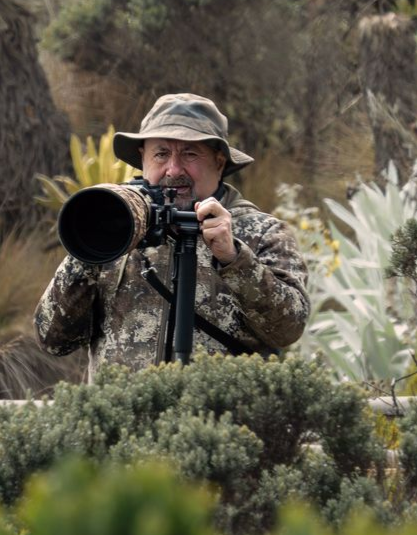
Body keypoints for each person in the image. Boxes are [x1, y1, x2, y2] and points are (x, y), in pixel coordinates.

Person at [36, 93, 310, 379]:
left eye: (190, 154)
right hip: (123, 420)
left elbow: (288, 329)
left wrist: (234, 259)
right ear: (143, 158)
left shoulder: (261, 233)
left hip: (221, 421)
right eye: (161, 153)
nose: (174, 169)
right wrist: (90, 248)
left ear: (219, 162)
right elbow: (53, 339)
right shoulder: (113, 223)